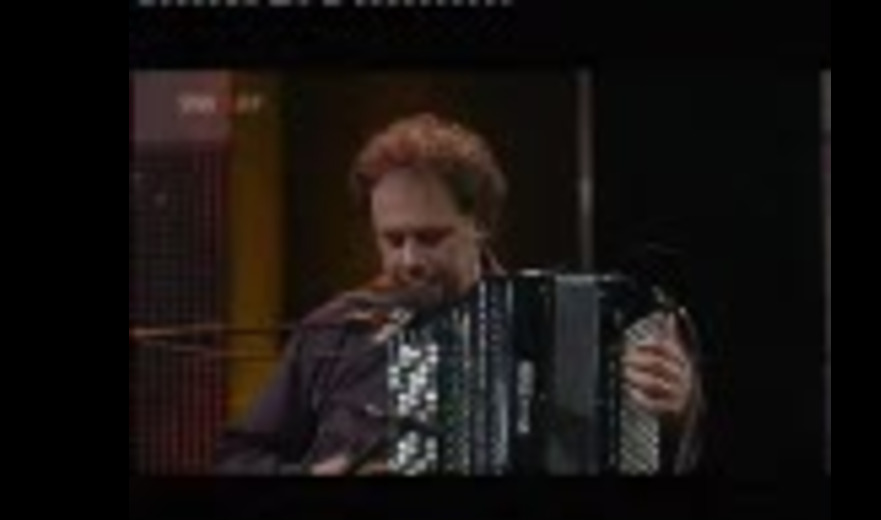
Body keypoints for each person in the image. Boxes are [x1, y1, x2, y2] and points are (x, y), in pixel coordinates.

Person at [215, 112, 704, 475]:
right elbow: (238, 457)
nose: (409, 259)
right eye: (392, 240)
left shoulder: (568, 321)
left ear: (481, 223)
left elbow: (662, 453)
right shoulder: (335, 330)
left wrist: (678, 411)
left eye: (430, 237)